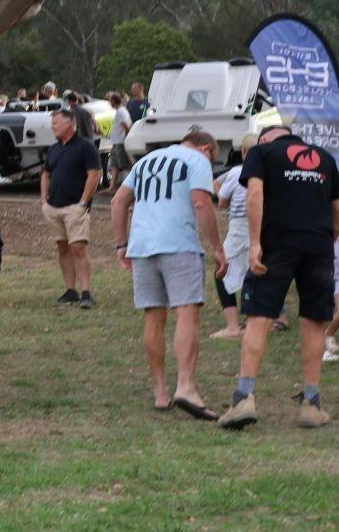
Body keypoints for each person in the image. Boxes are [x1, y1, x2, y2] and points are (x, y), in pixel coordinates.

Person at [218, 124, 338, 429]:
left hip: (277, 245)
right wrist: (329, 238)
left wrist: (255, 242)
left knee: (259, 317)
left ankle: (244, 398)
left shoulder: (262, 152)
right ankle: (311, 404)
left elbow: (255, 194)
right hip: (319, 245)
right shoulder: (324, 157)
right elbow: (337, 207)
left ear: (265, 139)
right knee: (314, 321)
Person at [110, 128, 225, 417]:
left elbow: (117, 202)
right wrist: (218, 248)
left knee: (154, 318)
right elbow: (201, 202)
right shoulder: (197, 161)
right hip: (179, 244)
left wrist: (121, 244)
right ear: (206, 149)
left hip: (143, 246)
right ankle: (185, 386)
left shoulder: (146, 161)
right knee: (186, 313)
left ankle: (161, 392)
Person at [40, 109, 101, 308]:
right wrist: (44, 200)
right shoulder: (54, 149)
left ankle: (86, 292)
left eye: (56, 123)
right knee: (63, 248)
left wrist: (83, 202)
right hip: (54, 208)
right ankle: (70, 291)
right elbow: (46, 174)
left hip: (75, 207)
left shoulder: (85, 147)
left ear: (69, 124)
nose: (52, 127)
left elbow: (94, 175)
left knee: (78, 248)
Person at [211, 136, 257, 340]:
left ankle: (232, 326)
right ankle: (252, 321)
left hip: (240, 225)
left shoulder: (238, 171)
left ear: (244, 151)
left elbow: (221, 202)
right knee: (254, 272)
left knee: (221, 270)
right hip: (264, 226)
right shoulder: (272, 172)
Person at [107, 92, 133, 191]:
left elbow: (125, 126)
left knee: (123, 165)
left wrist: (127, 138)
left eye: (110, 101)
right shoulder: (121, 111)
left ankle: (126, 187)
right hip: (116, 142)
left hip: (121, 142)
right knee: (114, 165)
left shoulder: (121, 111)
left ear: (113, 101)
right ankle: (112, 186)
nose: (110, 103)